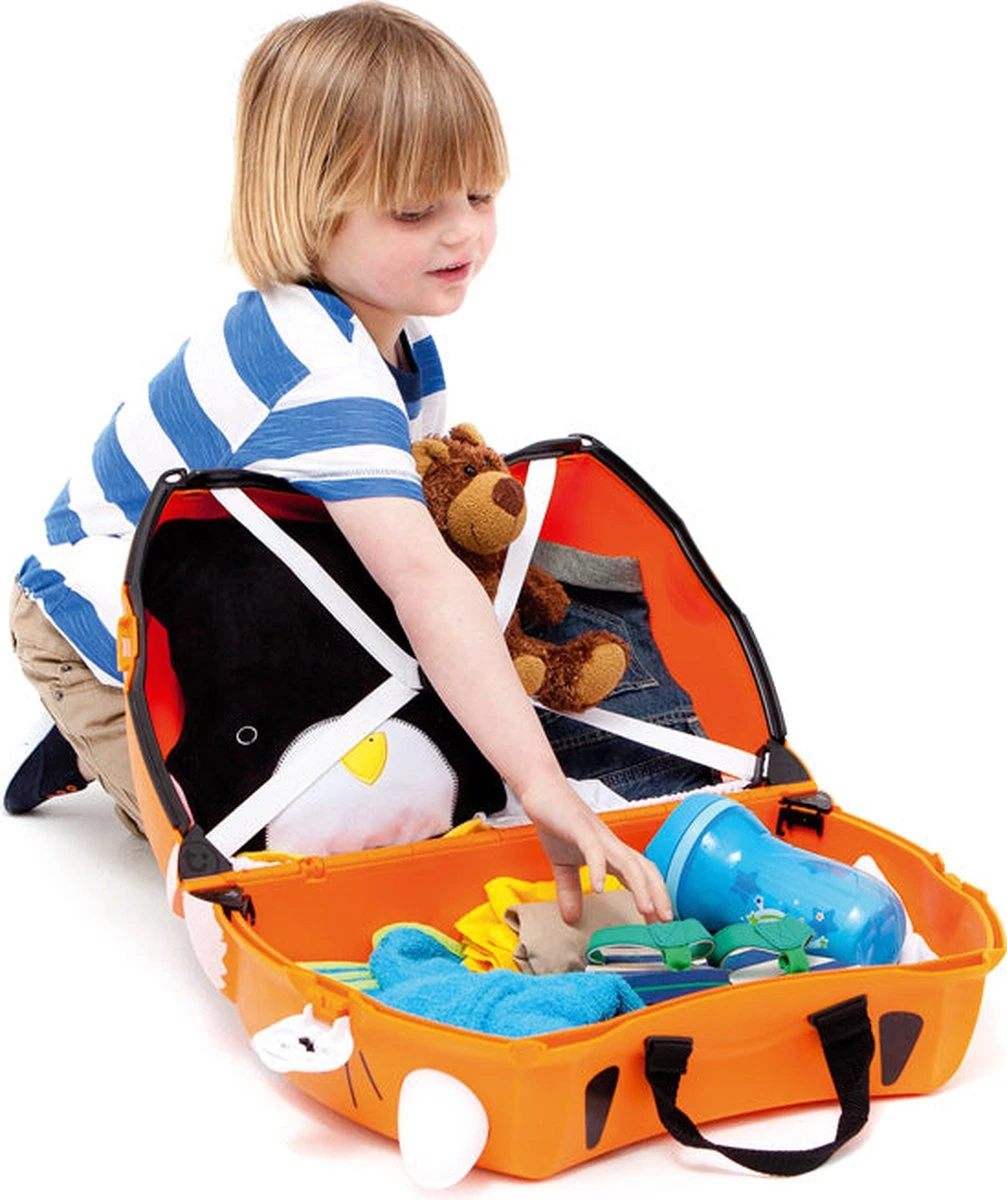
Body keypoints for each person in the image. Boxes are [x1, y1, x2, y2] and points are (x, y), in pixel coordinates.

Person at [4, 2, 671, 925]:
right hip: (103, 610)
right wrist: (542, 785)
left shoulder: (397, 340)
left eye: (480, 196)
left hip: (244, 584)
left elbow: (407, 549)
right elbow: (423, 583)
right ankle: (96, 723)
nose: (463, 235)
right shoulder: (319, 370)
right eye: (415, 210)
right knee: (242, 839)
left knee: (386, 730)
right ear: (309, 210)